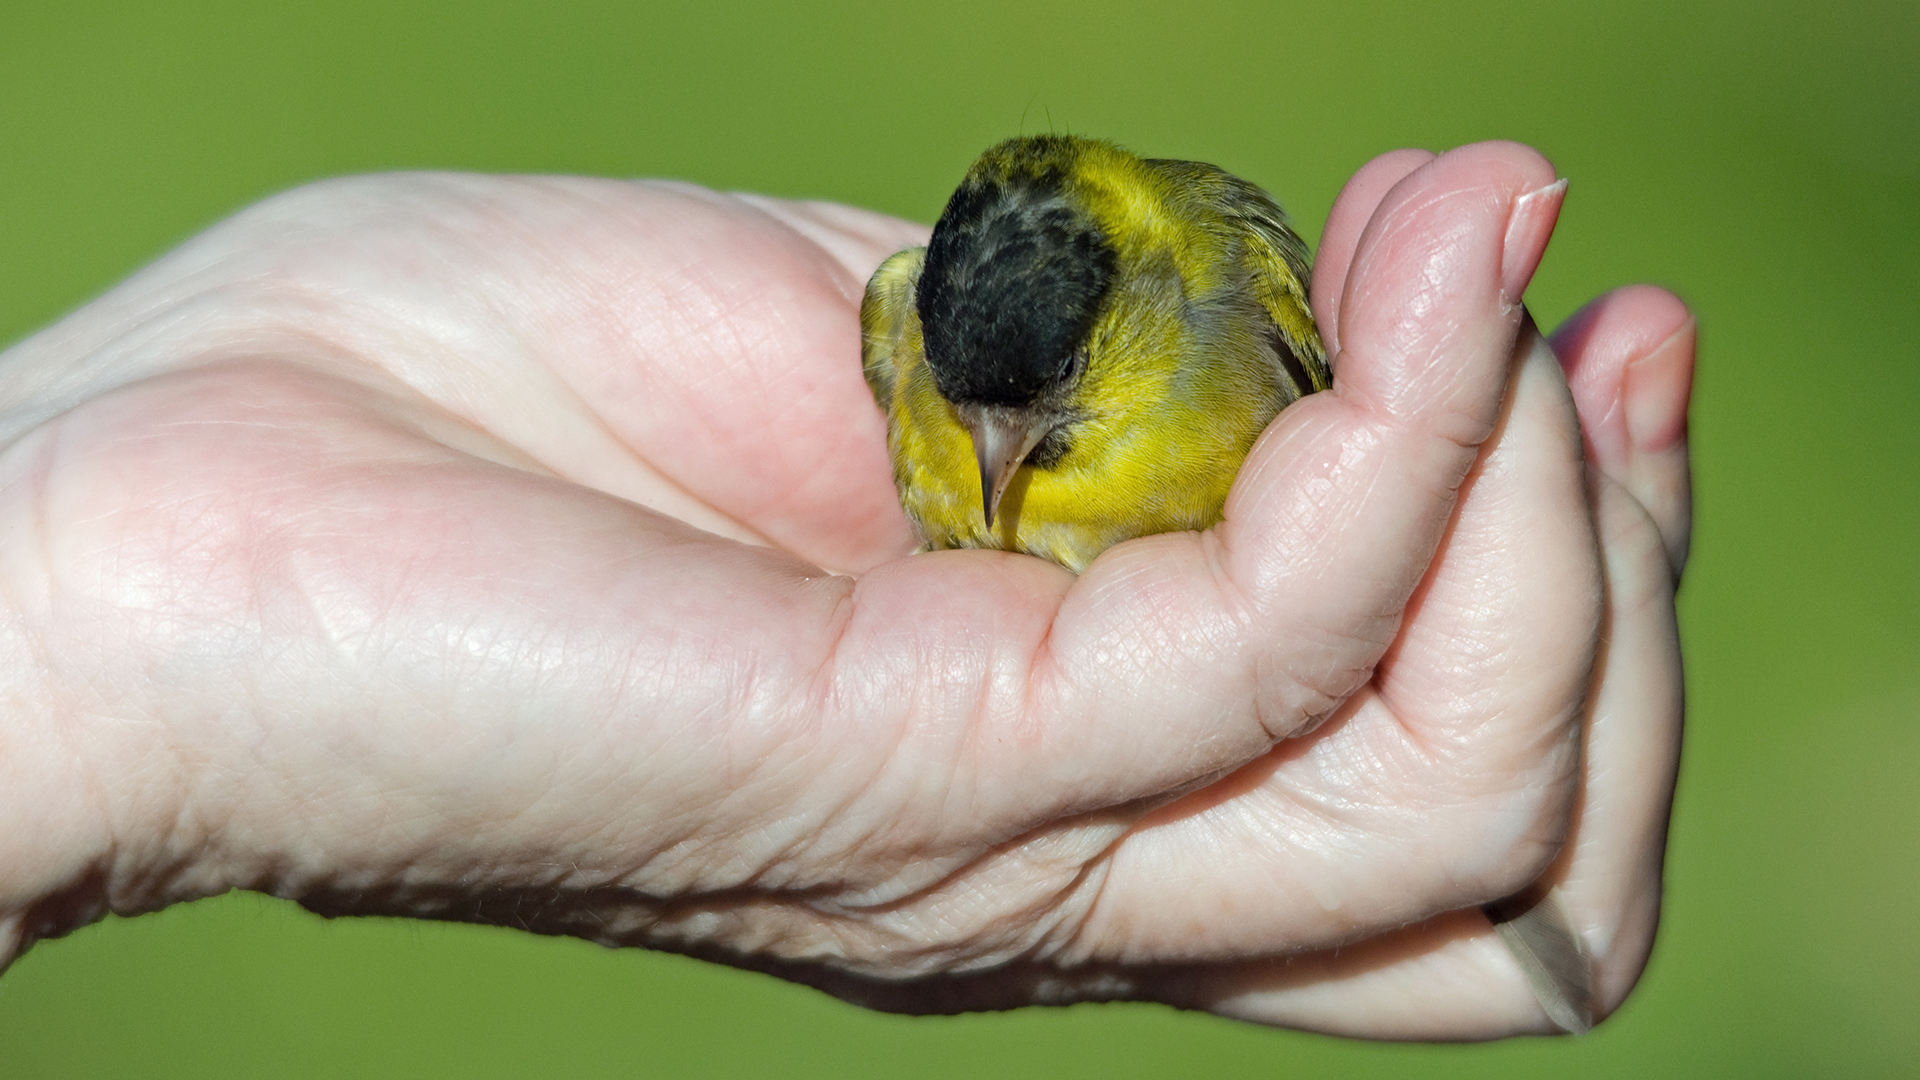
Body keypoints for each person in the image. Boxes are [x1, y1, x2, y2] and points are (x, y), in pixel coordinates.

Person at [0, 142, 1689, 1040]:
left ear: (1151, 289)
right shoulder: (906, 318)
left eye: (1045, 405)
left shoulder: (1231, 267)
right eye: (972, 413)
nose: (1001, 452)